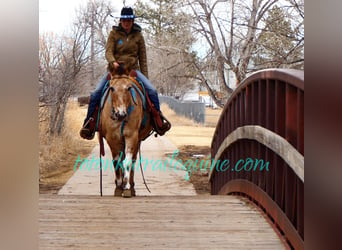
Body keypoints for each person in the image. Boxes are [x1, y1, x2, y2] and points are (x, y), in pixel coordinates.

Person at [80, 7, 171, 140]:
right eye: (124, 20)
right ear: (121, 21)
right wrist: (113, 62)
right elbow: (108, 52)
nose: (126, 23)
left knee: (152, 90)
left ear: (132, 21)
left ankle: (158, 121)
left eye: (129, 20)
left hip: (133, 71)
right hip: (114, 71)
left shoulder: (138, 36)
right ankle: (89, 124)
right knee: (96, 93)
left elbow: (143, 58)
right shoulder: (114, 34)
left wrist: (145, 77)